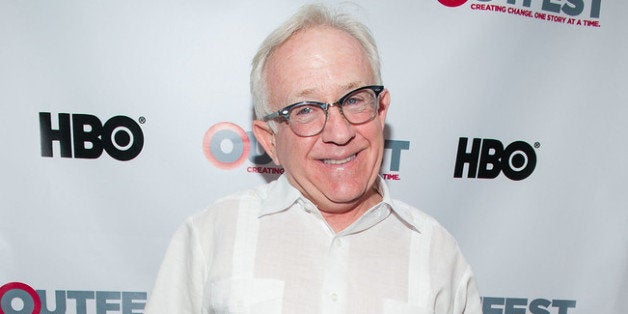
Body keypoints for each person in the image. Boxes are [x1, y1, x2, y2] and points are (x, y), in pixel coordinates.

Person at [145, 4, 481, 313]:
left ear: (380, 110)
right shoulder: (211, 236)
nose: (339, 132)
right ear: (269, 139)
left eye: (354, 100)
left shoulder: (437, 253)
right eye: (305, 110)